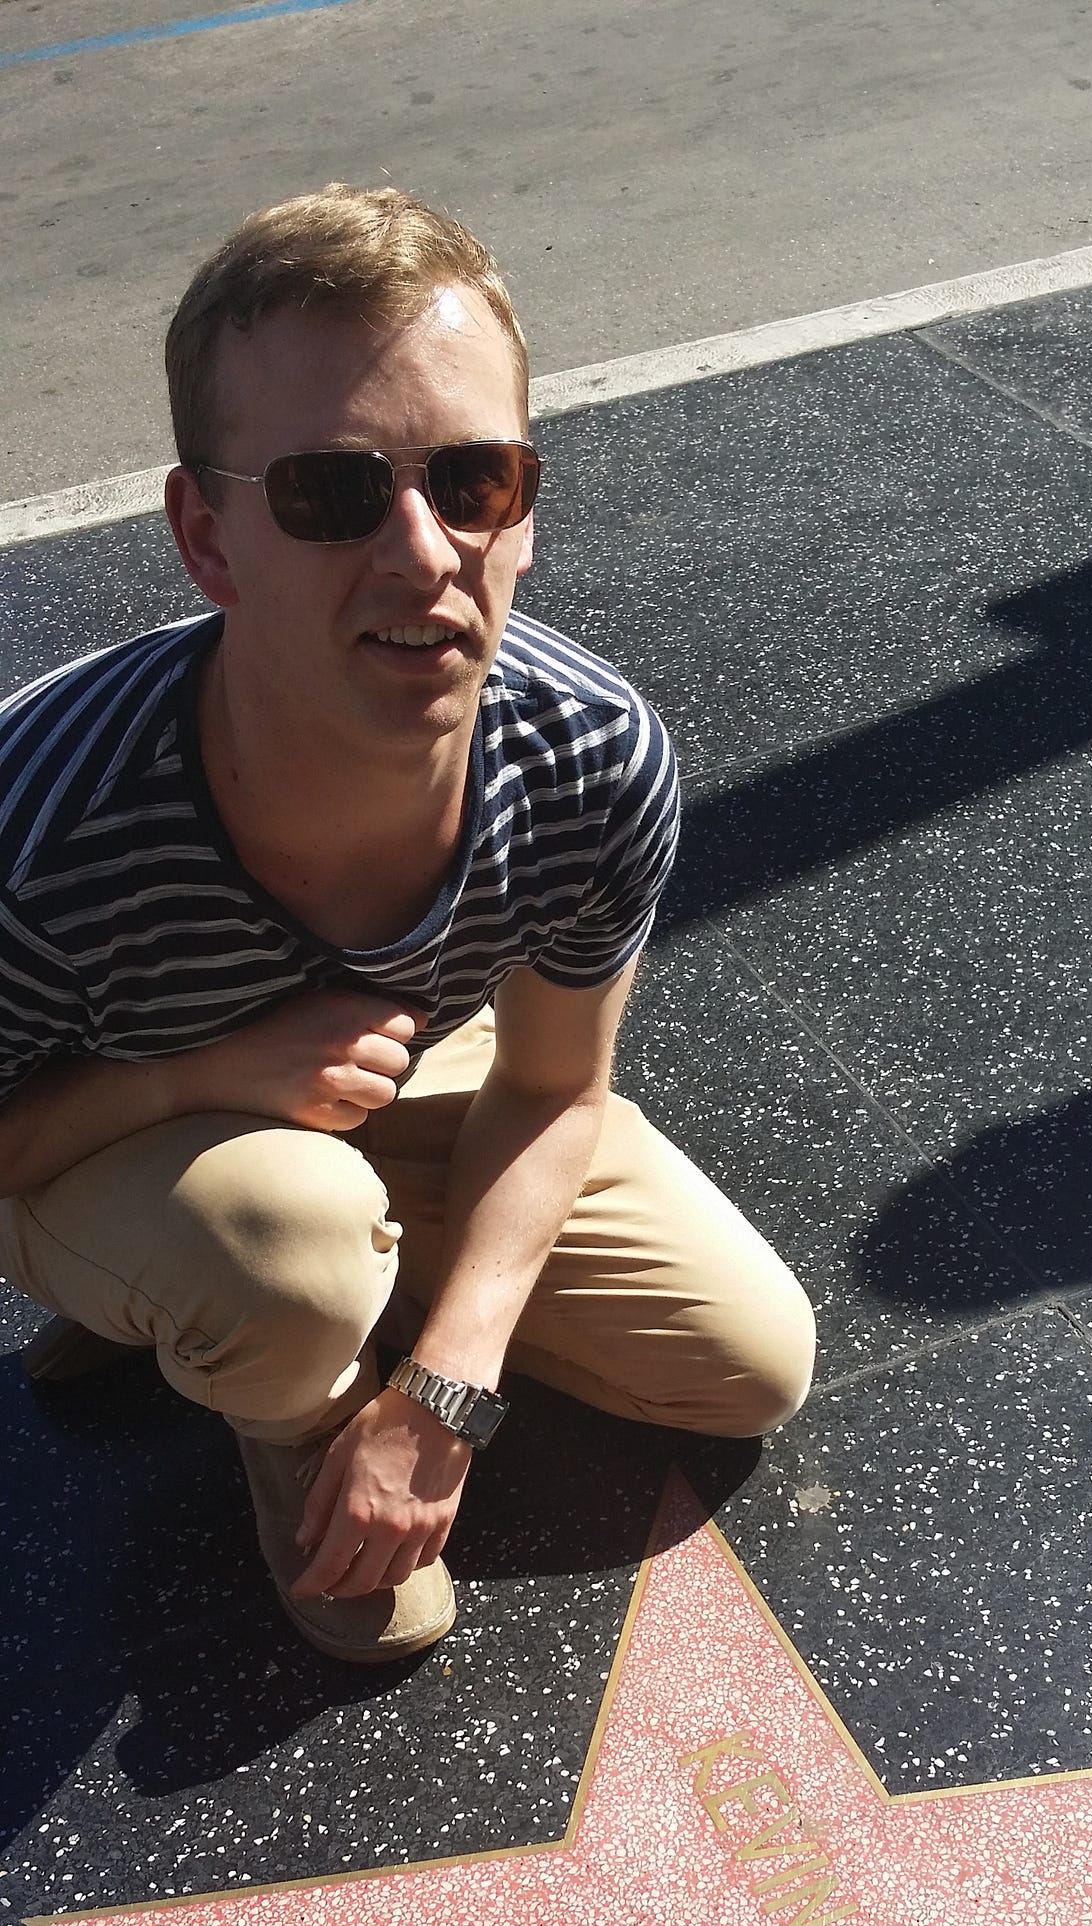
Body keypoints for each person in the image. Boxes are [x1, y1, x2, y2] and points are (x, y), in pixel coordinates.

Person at [0, 184, 815, 1662]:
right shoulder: (42, 819)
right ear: (207, 536)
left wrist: (443, 1395)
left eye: (474, 479)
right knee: (284, 1253)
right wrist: (208, 1081)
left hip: (393, 1075)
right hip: (93, 1125)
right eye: (331, 493)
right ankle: (261, 1373)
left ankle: (223, 1315)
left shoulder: (588, 750)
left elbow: (557, 1086)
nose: (423, 553)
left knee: (743, 1367)